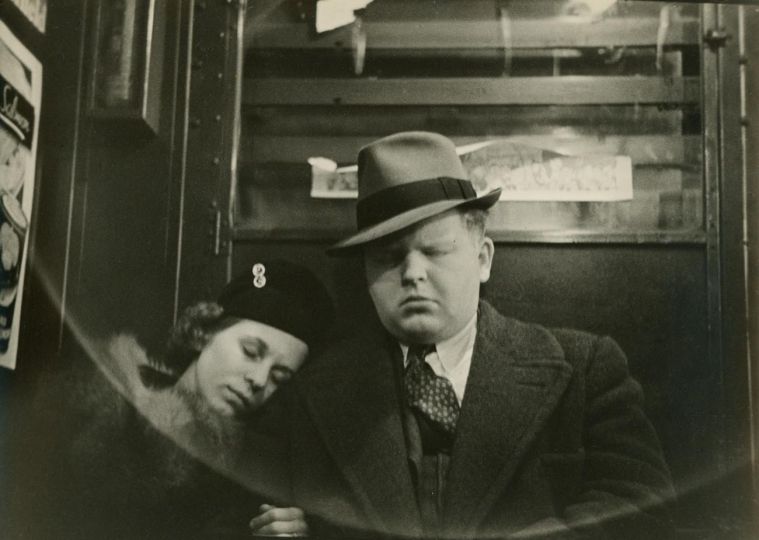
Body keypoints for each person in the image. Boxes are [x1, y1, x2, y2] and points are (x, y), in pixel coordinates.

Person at [255, 132, 675, 539]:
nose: (413, 273)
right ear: (365, 274)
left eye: (435, 251)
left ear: (483, 258)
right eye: (388, 257)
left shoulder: (585, 370)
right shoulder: (312, 395)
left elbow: (641, 509)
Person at [70, 260, 334, 538]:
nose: (259, 380)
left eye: (279, 377)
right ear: (203, 333)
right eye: (251, 351)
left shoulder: (258, 477)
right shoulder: (102, 399)